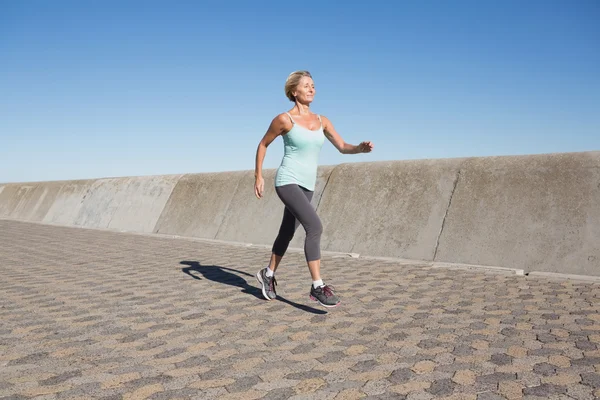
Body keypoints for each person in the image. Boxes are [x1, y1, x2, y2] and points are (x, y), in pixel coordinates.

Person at [254, 70, 373, 308]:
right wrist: (258, 176)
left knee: (287, 232)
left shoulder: (322, 120)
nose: (312, 89)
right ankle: (317, 286)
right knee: (315, 226)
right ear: (294, 91)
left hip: (307, 184)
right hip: (287, 180)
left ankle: (268, 273)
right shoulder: (284, 119)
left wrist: (359, 148)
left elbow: (341, 146)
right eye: (306, 86)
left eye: (313, 86)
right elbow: (263, 144)